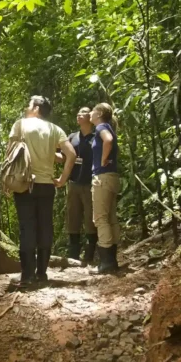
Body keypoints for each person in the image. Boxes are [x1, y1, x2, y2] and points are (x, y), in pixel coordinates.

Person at [8, 96, 76, 286]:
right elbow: (70, 154)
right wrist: (62, 178)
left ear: (36, 108)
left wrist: (7, 180)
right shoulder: (55, 129)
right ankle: (42, 273)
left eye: (29, 104)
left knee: (27, 227)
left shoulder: (21, 125)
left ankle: (27, 276)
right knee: (45, 226)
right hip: (47, 184)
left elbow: (11, 152)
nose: (26, 107)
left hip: (25, 183)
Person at [61, 107, 97, 264]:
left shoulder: (96, 138)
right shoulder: (72, 137)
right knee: (73, 218)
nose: (79, 114)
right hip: (74, 184)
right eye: (78, 112)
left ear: (90, 117)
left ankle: (90, 254)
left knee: (90, 219)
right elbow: (63, 157)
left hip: (90, 184)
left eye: (83, 112)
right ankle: (73, 255)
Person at [89, 102, 120, 274]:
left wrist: (102, 160)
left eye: (93, 110)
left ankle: (106, 262)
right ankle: (111, 260)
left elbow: (108, 140)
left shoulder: (101, 127)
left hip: (103, 178)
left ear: (99, 113)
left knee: (100, 219)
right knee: (110, 217)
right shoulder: (107, 126)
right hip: (112, 177)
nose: (91, 113)